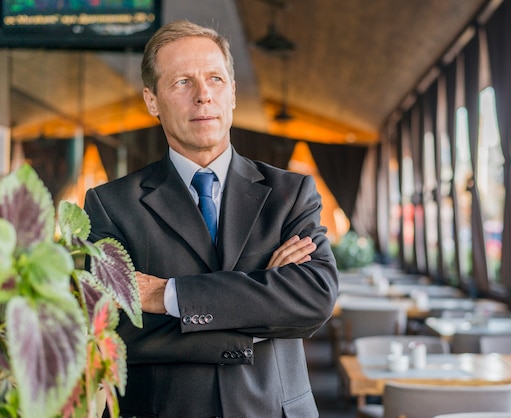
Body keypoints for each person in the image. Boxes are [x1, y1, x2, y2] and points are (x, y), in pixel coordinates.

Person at [84, 19, 338, 417]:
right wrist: (264, 299)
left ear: (233, 94)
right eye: (183, 82)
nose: (203, 95)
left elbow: (313, 299)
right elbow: (117, 328)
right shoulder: (110, 205)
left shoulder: (291, 194)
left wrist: (169, 296)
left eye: (215, 79)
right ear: (152, 100)